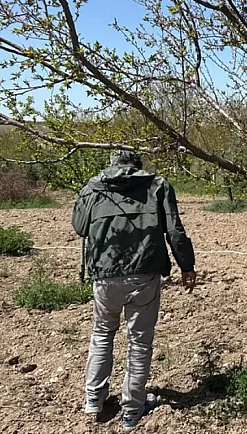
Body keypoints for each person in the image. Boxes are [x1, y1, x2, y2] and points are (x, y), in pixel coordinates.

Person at [72, 149, 197, 431]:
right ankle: (132, 410)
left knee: (102, 333)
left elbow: (79, 227)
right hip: (144, 274)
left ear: (112, 164)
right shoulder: (157, 185)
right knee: (139, 342)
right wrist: (186, 265)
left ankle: (94, 398)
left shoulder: (93, 187)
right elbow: (174, 230)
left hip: (105, 275)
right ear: (138, 165)